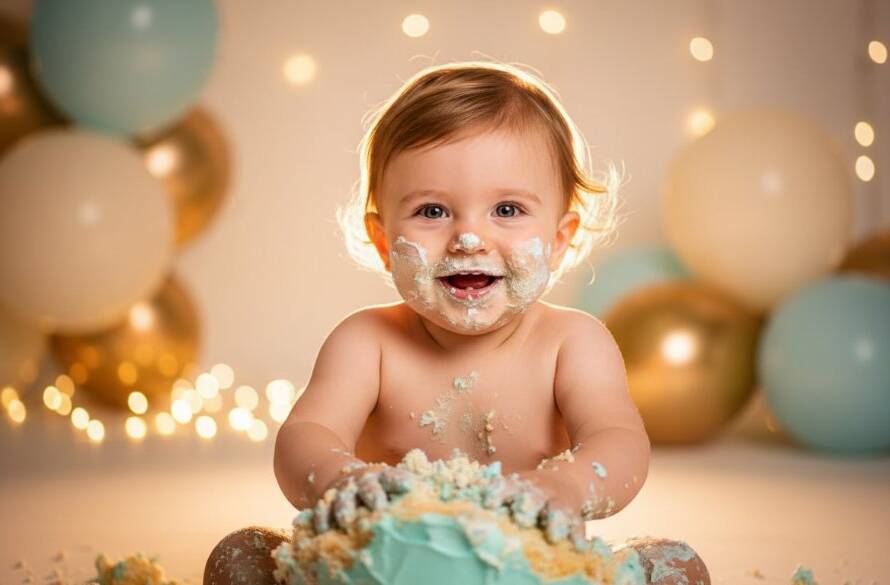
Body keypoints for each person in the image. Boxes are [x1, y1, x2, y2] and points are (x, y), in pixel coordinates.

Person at [205, 61, 711, 585]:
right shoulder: (366, 343)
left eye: (508, 210)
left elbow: (619, 440)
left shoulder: (572, 344)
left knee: (678, 565)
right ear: (382, 241)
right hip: (384, 565)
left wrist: (566, 487)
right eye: (432, 212)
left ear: (560, 239)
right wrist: (341, 478)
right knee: (240, 555)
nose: (469, 238)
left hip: (528, 566)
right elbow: (306, 434)